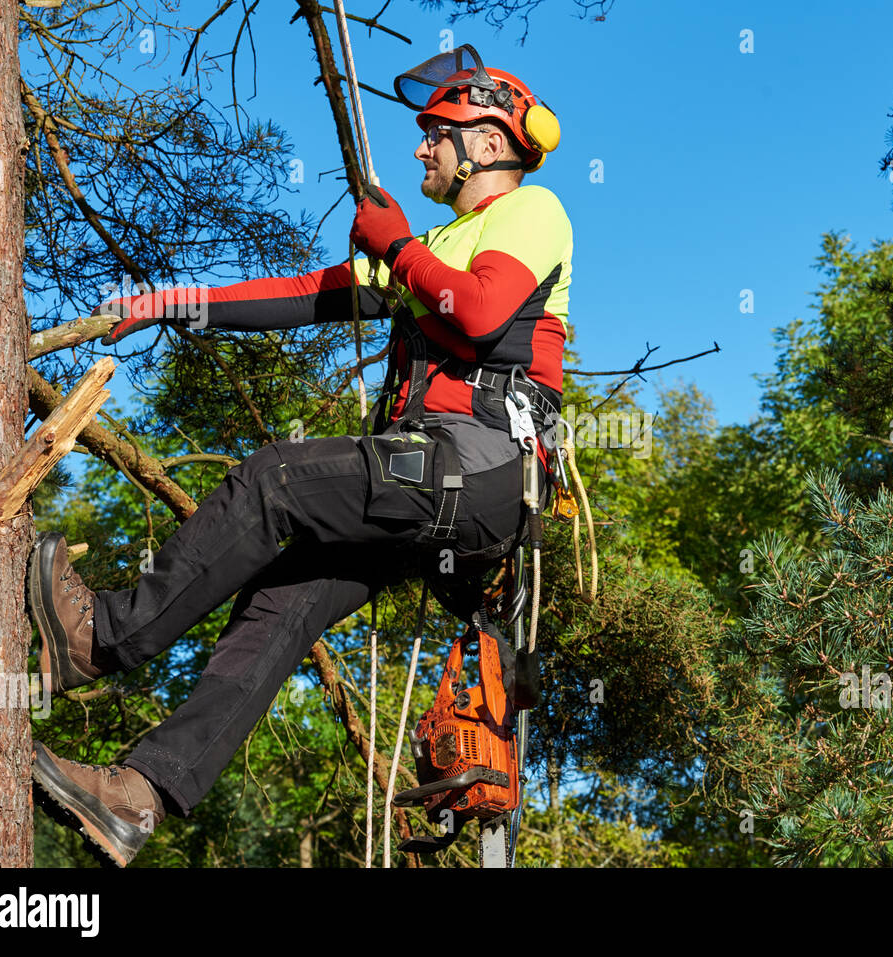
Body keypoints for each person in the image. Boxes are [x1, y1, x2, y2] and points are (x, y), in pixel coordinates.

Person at [30, 45, 571, 867]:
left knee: (273, 479)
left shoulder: (530, 213)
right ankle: (141, 795)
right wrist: (178, 303)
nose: (421, 148)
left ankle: (98, 639)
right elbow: (307, 295)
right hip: (437, 478)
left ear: (489, 146)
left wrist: (396, 246)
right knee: (281, 605)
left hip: (479, 470)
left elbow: (484, 314)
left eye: (437, 133)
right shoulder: (438, 241)